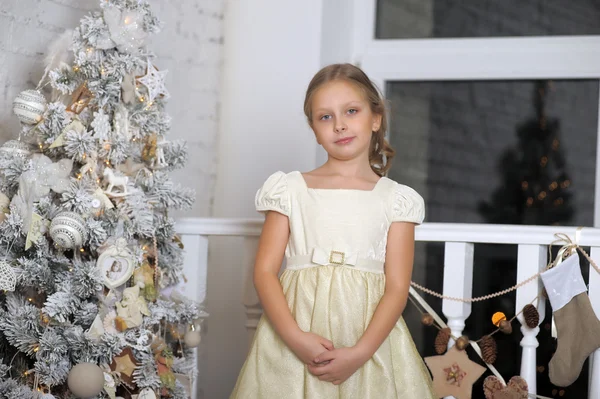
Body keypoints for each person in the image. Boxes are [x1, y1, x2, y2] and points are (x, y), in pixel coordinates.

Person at [230, 63, 435, 398]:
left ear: (375, 118)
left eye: (351, 111)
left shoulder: (397, 200)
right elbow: (265, 272)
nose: (339, 125)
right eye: (325, 117)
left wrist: (359, 353)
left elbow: (398, 288)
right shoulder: (289, 190)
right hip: (292, 338)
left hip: (368, 343)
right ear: (313, 128)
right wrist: (296, 339)